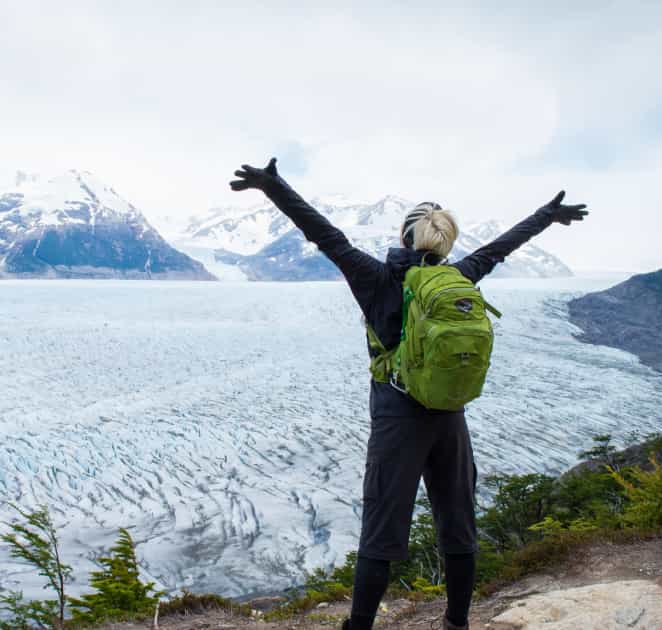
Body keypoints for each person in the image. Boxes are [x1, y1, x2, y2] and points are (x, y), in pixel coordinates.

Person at [229, 158, 588, 630]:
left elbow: (324, 234)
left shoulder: (374, 278)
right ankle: (456, 624)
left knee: (381, 531)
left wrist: (272, 186)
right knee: (458, 526)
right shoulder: (458, 277)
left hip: (398, 419)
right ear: (445, 242)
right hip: (449, 416)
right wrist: (546, 215)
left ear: (404, 238)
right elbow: (501, 248)